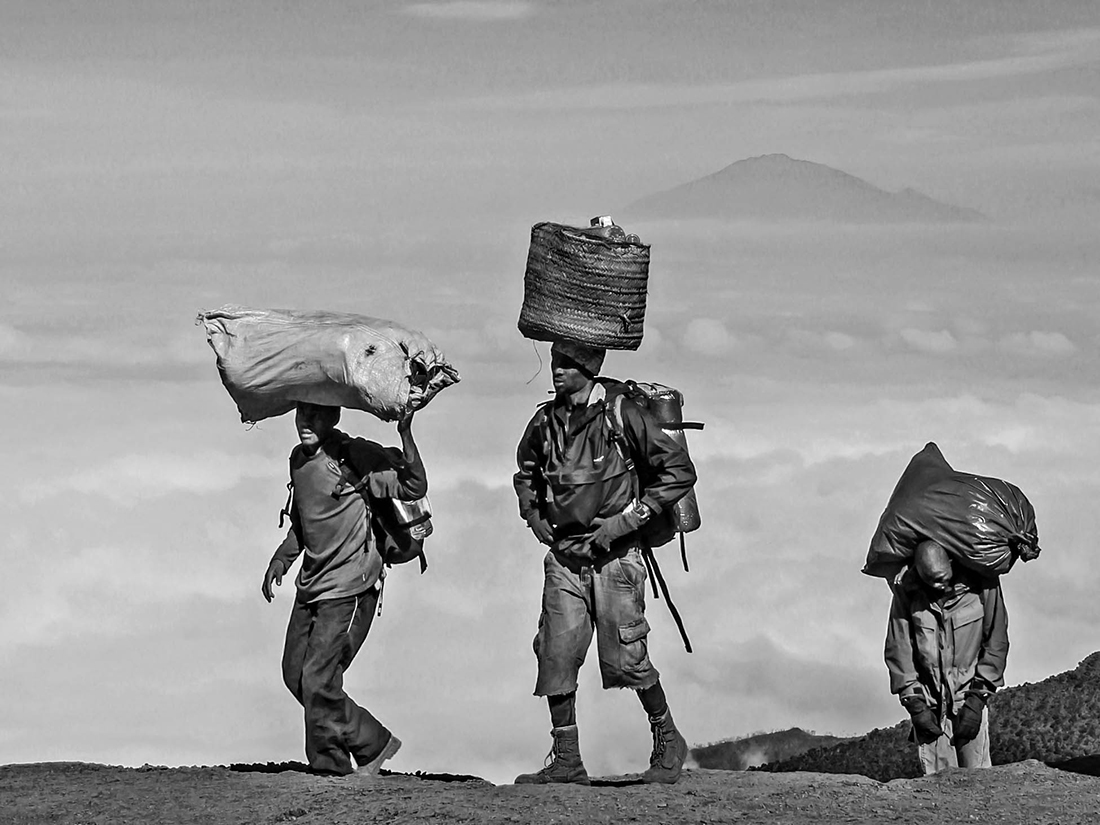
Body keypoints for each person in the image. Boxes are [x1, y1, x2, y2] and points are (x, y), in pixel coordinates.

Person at [512, 340, 698, 785]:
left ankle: (668, 740)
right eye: (556, 363)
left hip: (616, 557)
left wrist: (623, 524)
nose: (557, 371)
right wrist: (534, 516)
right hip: (565, 558)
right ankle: (567, 760)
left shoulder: (620, 413)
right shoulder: (545, 421)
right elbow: (526, 472)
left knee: (628, 657)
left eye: (568, 364)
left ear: (589, 368)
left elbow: (677, 472)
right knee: (556, 653)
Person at [262, 400, 427, 777]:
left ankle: (331, 768)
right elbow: (303, 522)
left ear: (334, 417)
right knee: (295, 675)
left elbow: (414, 485)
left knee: (319, 680)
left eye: (317, 415)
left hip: (351, 586)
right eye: (302, 414)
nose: (307, 422)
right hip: (312, 585)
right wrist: (281, 559)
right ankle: (372, 741)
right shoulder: (298, 461)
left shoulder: (354, 455)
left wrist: (405, 433)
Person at [885, 539, 1009, 775]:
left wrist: (978, 698)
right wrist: (914, 704)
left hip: (969, 698)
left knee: (979, 784)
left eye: (942, 577)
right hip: (929, 704)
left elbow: (997, 640)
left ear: (951, 562)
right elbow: (899, 646)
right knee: (936, 791)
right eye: (930, 579)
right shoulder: (907, 593)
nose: (938, 585)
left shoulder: (983, 585)